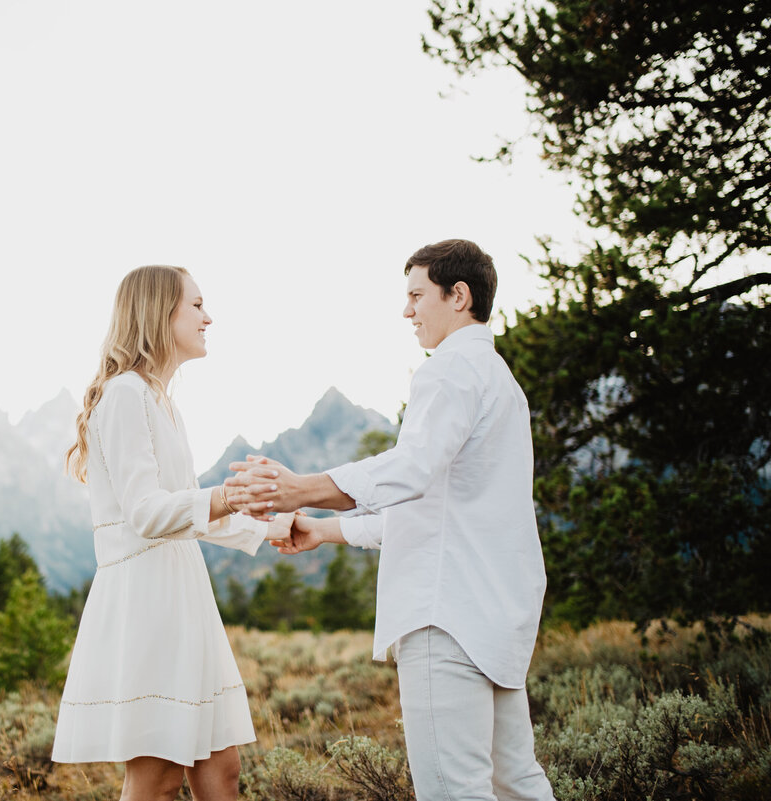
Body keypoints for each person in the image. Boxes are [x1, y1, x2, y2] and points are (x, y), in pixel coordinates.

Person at [226, 239, 555, 801]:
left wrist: (299, 488)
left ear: (459, 296)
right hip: (495, 616)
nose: (407, 311)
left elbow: (411, 471)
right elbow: (441, 511)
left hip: (445, 615)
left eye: (416, 295)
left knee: (454, 790)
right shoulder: (499, 378)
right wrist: (323, 528)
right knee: (516, 782)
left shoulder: (448, 371)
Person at [51, 265, 292, 801]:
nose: (209, 317)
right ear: (160, 314)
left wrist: (278, 524)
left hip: (183, 597)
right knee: (157, 776)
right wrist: (227, 495)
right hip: (148, 603)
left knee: (221, 767)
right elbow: (146, 513)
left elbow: (187, 515)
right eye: (197, 305)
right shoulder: (125, 394)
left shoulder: (162, 402)